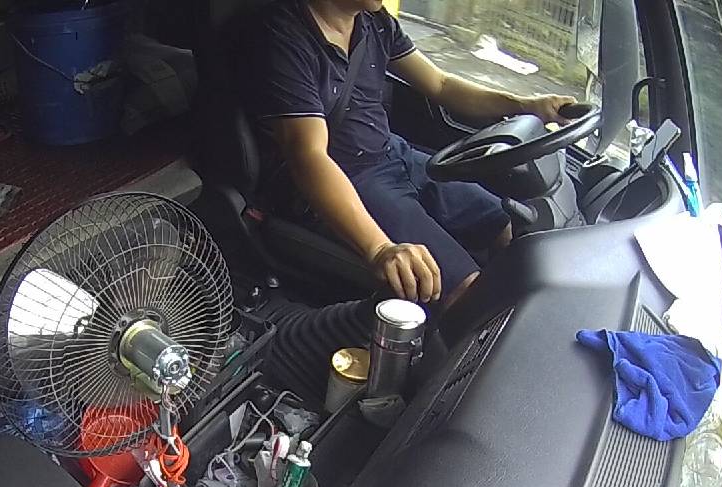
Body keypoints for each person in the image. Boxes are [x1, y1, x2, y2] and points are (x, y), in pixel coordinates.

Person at [243, 0, 577, 306]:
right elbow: (309, 155)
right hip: (349, 180)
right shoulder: (284, 35)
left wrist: (525, 104)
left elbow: (441, 85)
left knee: (509, 228)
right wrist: (380, 249)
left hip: (397, 155)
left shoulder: (375, 22)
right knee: (466, 292)